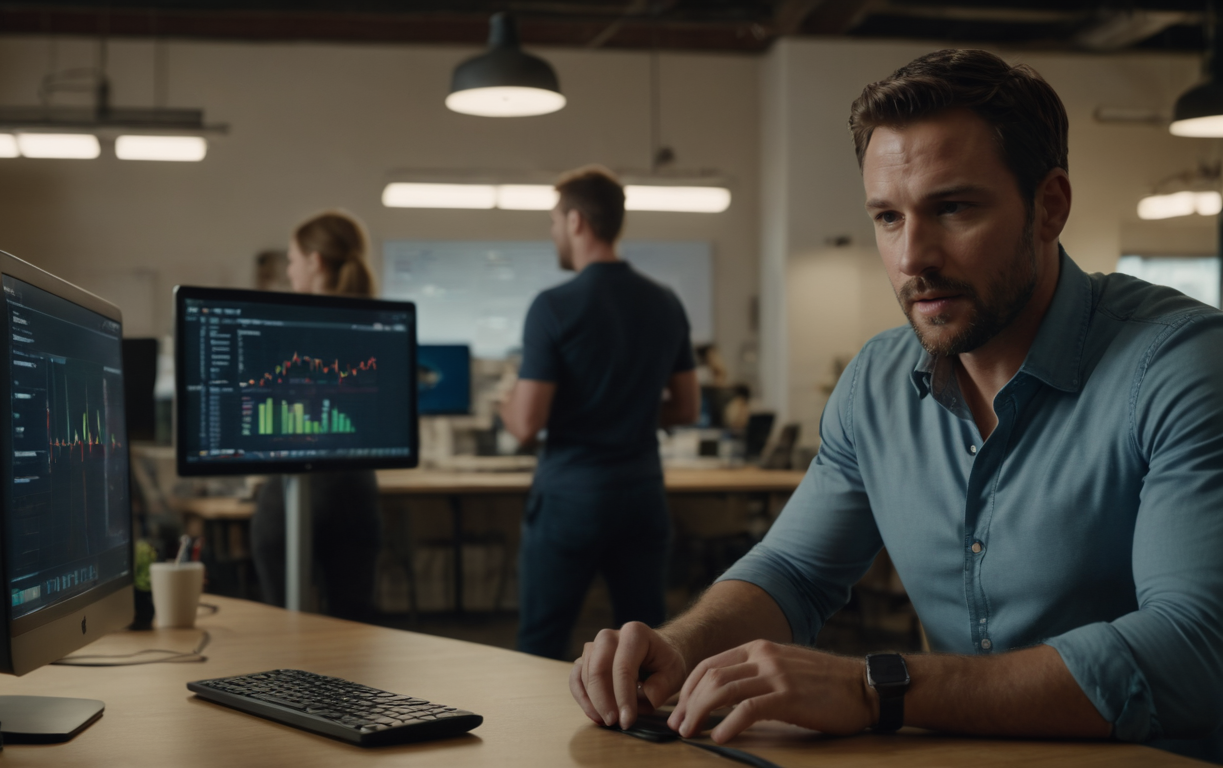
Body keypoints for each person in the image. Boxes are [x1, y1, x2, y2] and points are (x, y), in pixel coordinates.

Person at [569, 49, 1223, 762]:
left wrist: (877, 689)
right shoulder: (877, 381)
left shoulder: (1180, 365)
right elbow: (793, 571)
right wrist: (679, 646)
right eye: (888, 216)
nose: (913, 256)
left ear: (1050, 206)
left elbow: (1194, 651)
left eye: (953, 208)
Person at [501, 165, 700, 660]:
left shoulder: (553, 307)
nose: (553, 234)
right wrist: (626, 408)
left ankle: (535, 737)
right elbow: (687, 407)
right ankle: (652, 732)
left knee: (542, 642)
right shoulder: (665, 302)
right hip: (641, 496)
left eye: (553, 222)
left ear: (575, 222)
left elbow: (526, 425)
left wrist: (505, 403)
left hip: (571, 499)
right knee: (649, 646)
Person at [250, 210, 382, 622]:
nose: (289, 272)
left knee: (283, 617)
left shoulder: (289, 326)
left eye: (291, 260)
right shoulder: (378, 327)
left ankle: (288, 687)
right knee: (354, 622)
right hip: (358, 489)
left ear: (315, 261)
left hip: (295, 486)